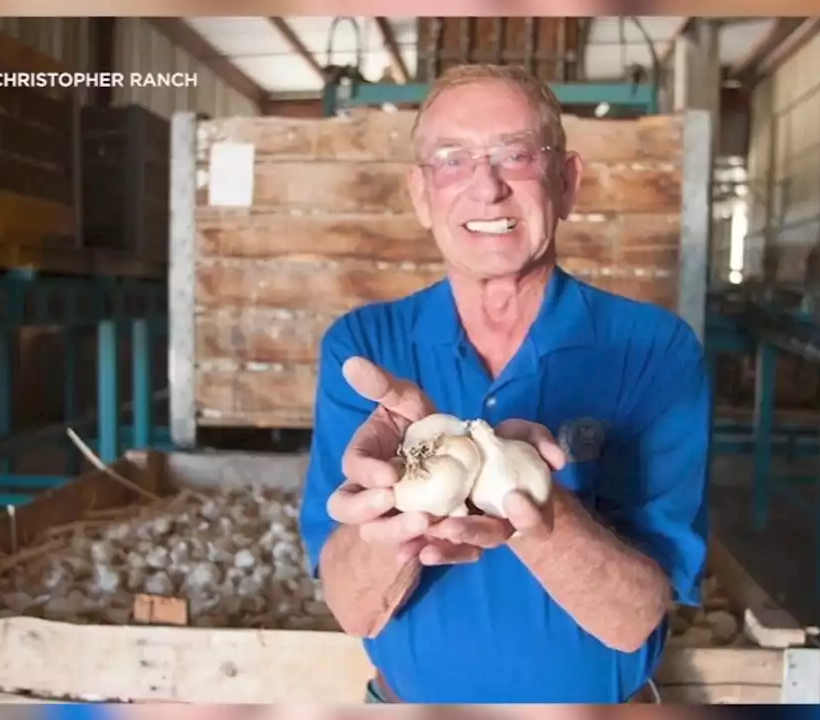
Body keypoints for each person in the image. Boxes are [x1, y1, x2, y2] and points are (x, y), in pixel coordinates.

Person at [299, 63, 711, 705]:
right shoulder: (367, 350)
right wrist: (404, 504)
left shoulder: (652, 349)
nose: (486, 187)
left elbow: (636, 620)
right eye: (453, 159)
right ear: (420, 194)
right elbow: (353, 609)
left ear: (567, 183)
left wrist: (533, 499)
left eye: (516, 155)